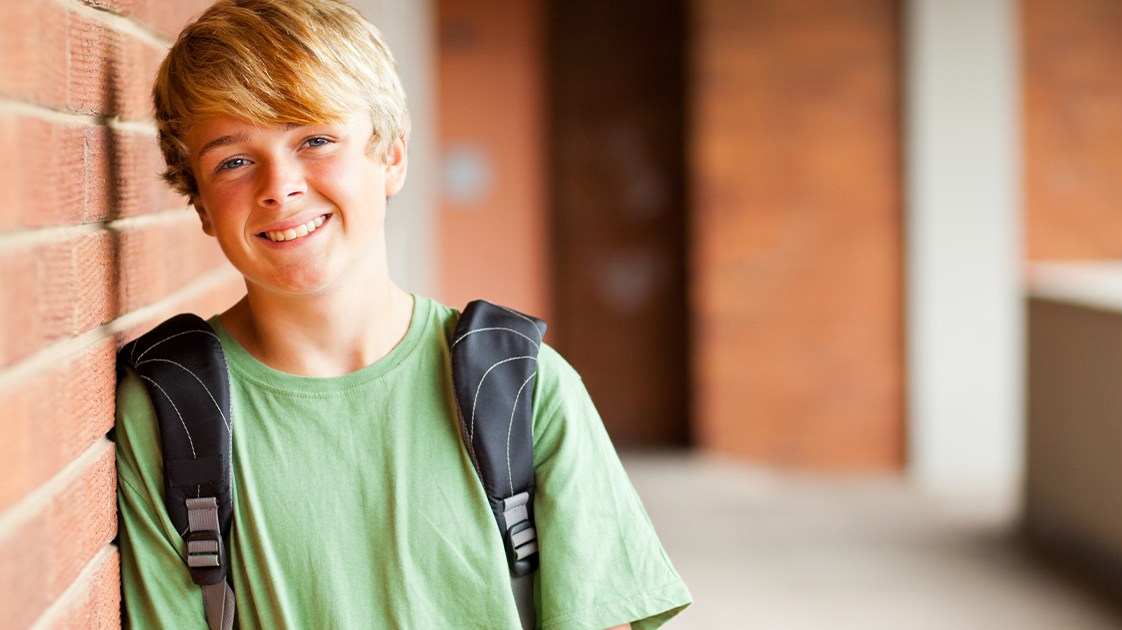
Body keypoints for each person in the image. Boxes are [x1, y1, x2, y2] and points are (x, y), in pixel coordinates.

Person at [113, 0, 692, 627]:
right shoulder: (172, 411)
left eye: (316, 139)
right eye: (233, 160)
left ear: (390, 156)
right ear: (199, 203)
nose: (280, 186)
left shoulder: (523, 386)